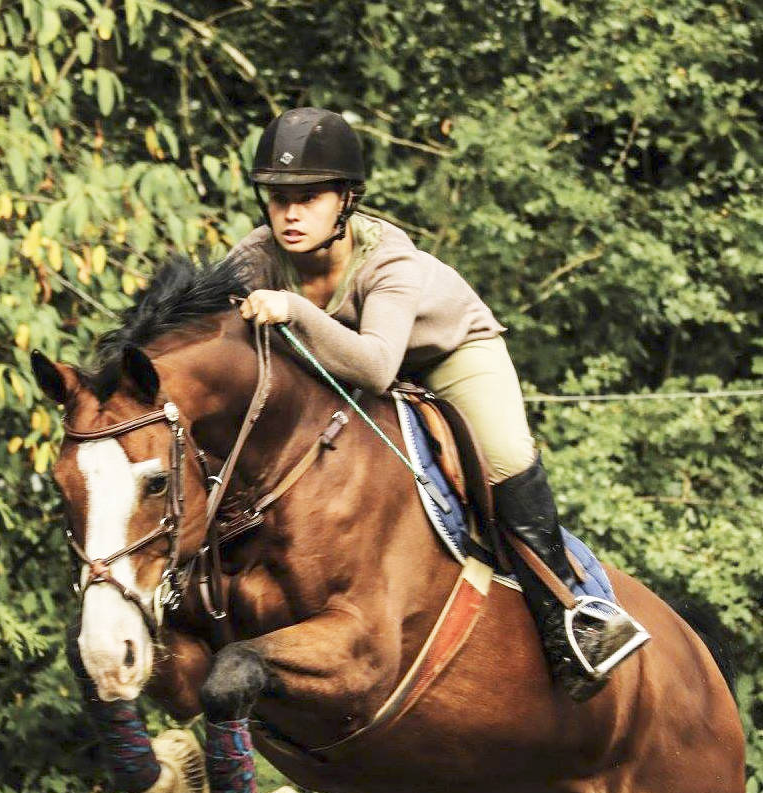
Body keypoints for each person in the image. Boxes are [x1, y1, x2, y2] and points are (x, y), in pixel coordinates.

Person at [227, 107, 648, 702]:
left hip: (449, 356)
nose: (290, 214)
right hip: (344, 366)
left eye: (310, 196)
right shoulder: (256, 256)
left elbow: (376, 366)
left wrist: (294, 310)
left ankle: (573, 620)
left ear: (346, 198)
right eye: (277, 198)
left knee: (501, 458)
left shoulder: (388, 260)